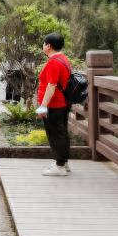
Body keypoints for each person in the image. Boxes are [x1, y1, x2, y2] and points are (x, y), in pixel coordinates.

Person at [37, 33, 72, 177]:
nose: (43, 46)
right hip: (62, 102)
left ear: (48, 46)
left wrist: (43, 105)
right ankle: (63, 162)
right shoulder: (63, 58)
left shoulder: (53, 62)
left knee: (55, 134)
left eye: (44, 43)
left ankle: (60, 166)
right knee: (61, 132)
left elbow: (51, 85)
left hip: (54, 104)